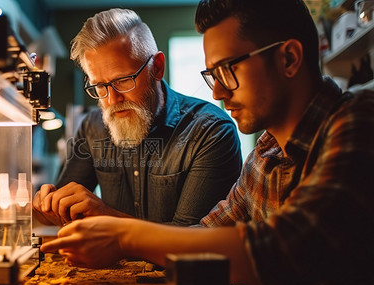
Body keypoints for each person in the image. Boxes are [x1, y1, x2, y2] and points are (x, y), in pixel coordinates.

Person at [41, 0, 374, 285]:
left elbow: (284, 252)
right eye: (211, 74)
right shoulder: (264, 155)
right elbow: (203, 236)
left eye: (227, 70)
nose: (217, 91)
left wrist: (122, 236)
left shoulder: (362, 122)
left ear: (289, 58)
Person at [33, 8, 242, 227]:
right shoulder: (91, 127)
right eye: (100, 86)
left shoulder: (211, 131)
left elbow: (192, 242)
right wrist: (44, 205)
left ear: (157, 68)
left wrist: (105, 215)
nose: (112, 100)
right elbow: (60, 214)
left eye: (123, 80)